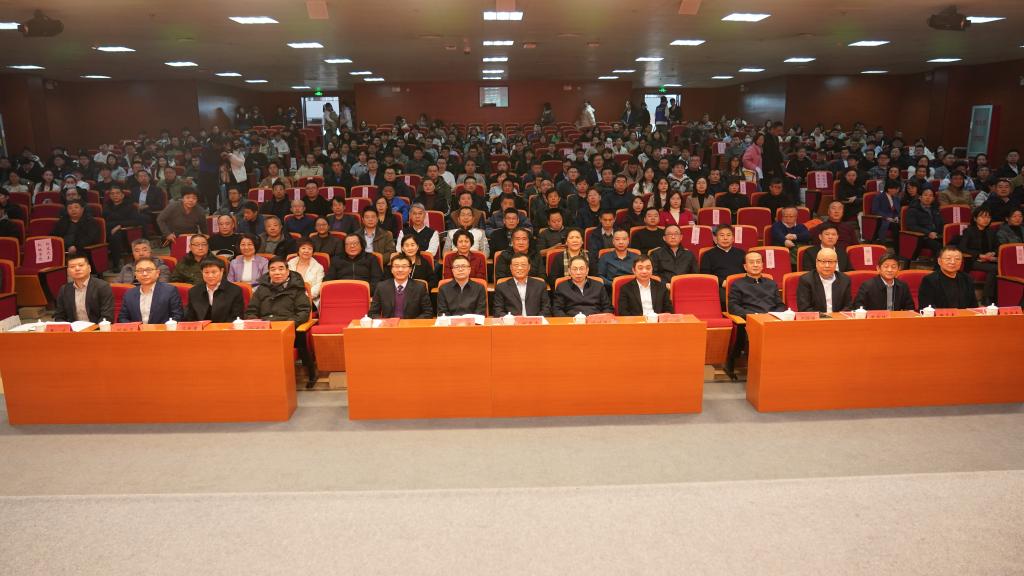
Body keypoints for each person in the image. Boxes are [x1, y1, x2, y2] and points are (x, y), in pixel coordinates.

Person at [246, 257, 316, 388]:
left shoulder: (297, 288)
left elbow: (303, 311)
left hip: (289, 329)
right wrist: (256, 322)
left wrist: (288, 325)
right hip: (264, 329)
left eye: (281, 269)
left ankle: (308, 375)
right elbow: (251, 310)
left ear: (288, 271)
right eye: (273, 269)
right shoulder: (262, 289)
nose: (277, 272)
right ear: (268, 272)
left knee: (299, 335)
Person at [726, 251, 786, 379]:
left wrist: (775, 315)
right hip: (750, 319)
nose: (755, 265)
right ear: (745, 266)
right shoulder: (738, 284)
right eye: (751, 262)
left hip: (771, 319)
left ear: (762, 265)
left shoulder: (771, 283)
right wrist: (754, 315)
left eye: (758, 262)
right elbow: (733, 307)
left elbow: (780, 304)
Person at [118, 256, 184, 324]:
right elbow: (122, 318)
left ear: (157, 273)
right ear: (136, 275)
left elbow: (178, 316)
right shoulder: (129, 294)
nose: (144, 274)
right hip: (137, 330)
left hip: (162, 330)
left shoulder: (169, 291)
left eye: (148, 270)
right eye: (140, 271)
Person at [53, 254, 114, 323]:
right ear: (68, 272)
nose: (77, 269)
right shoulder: (64, 289)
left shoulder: (102, 286)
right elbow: (59, 315)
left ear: (89, 268)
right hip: (73, 328)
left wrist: (95, 328)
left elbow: (107, 316)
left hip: (96, 328)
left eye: (81, 265)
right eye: (72, 267)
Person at [368, 254, 433, 318]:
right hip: (389, 324)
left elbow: (428, 312)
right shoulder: (381, 287)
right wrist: (384, 322)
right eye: (396, 266)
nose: (400, 270)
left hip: (412, 324)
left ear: (410, 270)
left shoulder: (420, 287)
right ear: (391, 270)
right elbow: (373, 313)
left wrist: (412, 323)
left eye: (404, 266)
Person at [958, 207, 998, 305]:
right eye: (983, 217)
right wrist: (980, 256)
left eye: (988, 217)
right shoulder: (969, 231)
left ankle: (997, 297)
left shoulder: (991, 232)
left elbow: (998, 246)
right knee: (995, 268)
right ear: (975, 218)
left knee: (1001, 267)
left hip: (989, 260)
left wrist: (993, 253)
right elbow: (962, 248)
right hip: (973, 260)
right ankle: (987, 298)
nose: (986, 219)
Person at [183, 258, 245, 322]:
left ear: (221, 271)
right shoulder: (194, 291)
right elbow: (190, 317)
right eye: (206, 272)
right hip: (201, 327)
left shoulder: (234, 291)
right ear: (202, 272)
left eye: (214, 272)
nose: (210, 276)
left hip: (225, 327)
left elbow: (236, 318)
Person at [796, 247, 852, 313]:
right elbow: (804, 309)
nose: (827, 265)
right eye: (823, 261)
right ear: (817, 262)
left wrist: (837, 317)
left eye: (831, 262)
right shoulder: (806, 280)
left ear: (836, 263)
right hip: (817, 319)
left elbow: (848, 306)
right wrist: (825, 317)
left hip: (838, 318)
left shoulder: (844, 280)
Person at [700, 225, 746, 302]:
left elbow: (747, 272)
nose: (725, 238)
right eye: (722, 235)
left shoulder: (741, 253)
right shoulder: (708, 255)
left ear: (733, 238)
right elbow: (705, 275)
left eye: (728, 235)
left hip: (741, 286)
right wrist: (722, 282)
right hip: (719, 287)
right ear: (715, 239)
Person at [905, 188, 944, 261]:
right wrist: (928, 233)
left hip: (936, 235)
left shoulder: (935, 209)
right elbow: (911, 226)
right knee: (938, 246)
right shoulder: (913, 210)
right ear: (920, 197)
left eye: (930, 196)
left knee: (952, 243)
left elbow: (941, 223)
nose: (928, 197)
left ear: (933, 199)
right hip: (922, 237)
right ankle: (938, 267)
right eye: (925, 195)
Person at [288, 239, 326, 305]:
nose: (306, 251)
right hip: (289, 298)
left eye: (309, 249)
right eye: (303, 248)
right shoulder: (290, 264)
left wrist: (303, 297)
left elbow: (318, 287)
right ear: (298, 250)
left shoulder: (319, 267)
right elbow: (285, 281)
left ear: (313, 251)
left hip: (309, 300)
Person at [872, 179, 902, 243]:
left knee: (901, 224)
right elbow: (875, 210)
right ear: (889, 189)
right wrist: (886, 217)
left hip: (893, 219)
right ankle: (896, 245)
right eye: (896, 189)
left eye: (898, 189)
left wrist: (896, 216)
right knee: (895, 226)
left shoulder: (896, 198)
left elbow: (896, 210)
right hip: (883, 219)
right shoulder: (879, 197)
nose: (898, 191)